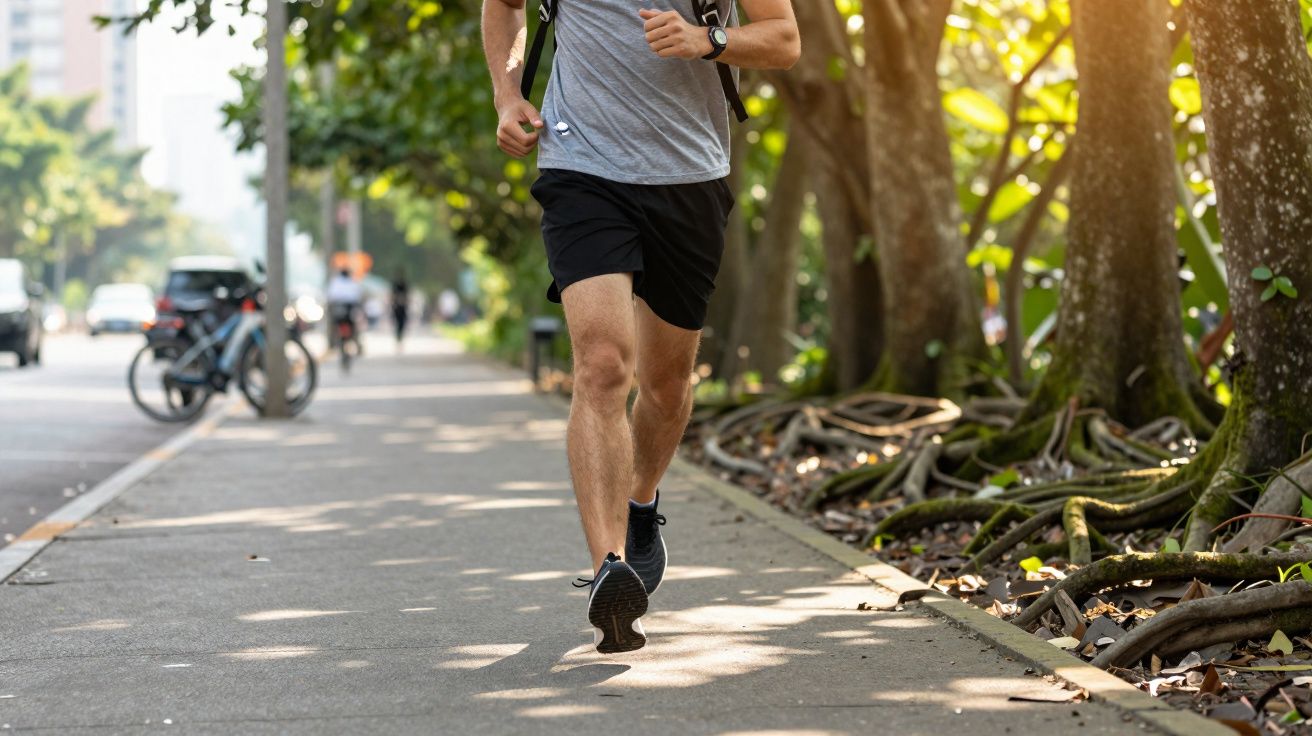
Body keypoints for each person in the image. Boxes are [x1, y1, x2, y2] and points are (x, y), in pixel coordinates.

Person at [482, 0, 799, 653]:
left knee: (666, 388)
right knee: (602, 365)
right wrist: (507, 94)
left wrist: (704, 39)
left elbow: (784, 39)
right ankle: (610, 566)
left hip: (690, 177)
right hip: (582, 168)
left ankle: (642, 501)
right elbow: (504, 8)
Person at [325, 268, 364, 351]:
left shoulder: (336, 282)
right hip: (348, 309)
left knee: (334, 325)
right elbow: (358, 296)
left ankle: (332, 343)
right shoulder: (352, 282)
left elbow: (330, 296)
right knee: (353, 327)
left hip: (340, 310)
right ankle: (357, 345)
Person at [390, 272, 410, 352]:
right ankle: (398, 340)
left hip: (402, 310)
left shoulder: (404, 286)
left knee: (401, 326)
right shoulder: (395, 286)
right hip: (397, 309)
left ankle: (400, 340)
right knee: (398, 326)